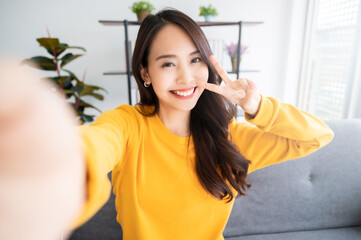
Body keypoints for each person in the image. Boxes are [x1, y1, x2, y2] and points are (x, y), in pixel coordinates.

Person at [0, 9, 333, 240]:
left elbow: (316, 137)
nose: (186, 76)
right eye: (168, 63)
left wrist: (256, 106)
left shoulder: (230, 137)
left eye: (195, 60)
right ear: (145, 73)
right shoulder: (128, 126)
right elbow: (93, 146)